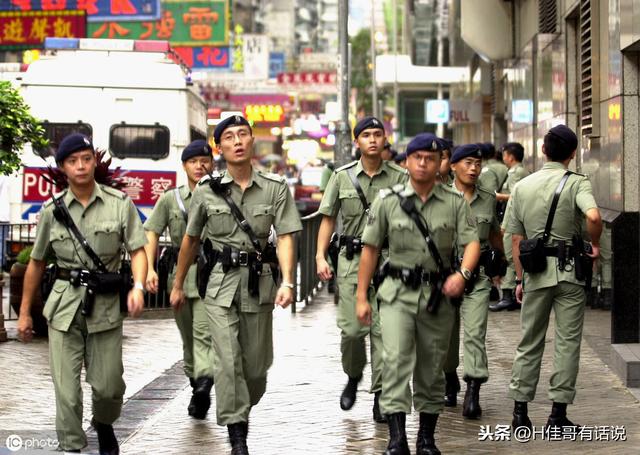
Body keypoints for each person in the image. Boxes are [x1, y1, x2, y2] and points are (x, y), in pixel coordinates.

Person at [169, 115, 302, 455]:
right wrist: (178, 283)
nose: (238, 141)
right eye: (229, 137)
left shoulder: (275, 187)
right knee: (227, 362)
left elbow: (286, 235)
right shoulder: (206, 190)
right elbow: (191, 239)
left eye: (243, 134)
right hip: (219, 285)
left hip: (259, 284)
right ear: (220, 147)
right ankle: (237, 436)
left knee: (255, 370)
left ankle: (242, 406)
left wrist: (288, 281)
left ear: (252, 140)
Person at [17, 133, 148, 454]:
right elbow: (35, 263)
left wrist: (140, 287)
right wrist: (23, 313)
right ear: (63, 167)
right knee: (66, 391)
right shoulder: (52, 211)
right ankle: (72, 446)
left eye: (86, 159)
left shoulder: (119, 205)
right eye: (73, 161)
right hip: (63, 307)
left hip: (104, 307)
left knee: (108, 386)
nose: (81, 166)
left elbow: (139, 250)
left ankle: (104, 423)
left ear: (94, 161)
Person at [355, 132, 480, 455]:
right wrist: (360, 297)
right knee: (394, 361)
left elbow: (472, 243)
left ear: (441, 163)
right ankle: (397, 439)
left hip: (437, 295)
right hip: (396, 293)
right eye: (417, 158)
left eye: (430, 158)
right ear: (407, 162)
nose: (423, 163)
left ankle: (426, 437)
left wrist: (462, 275)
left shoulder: (454, 203)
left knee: (431, 367)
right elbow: (370, 250)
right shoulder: (388, 201)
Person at [505, 124, 602, 431]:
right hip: (570, 275)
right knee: (567, 342)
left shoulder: (522, 186)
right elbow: (594, 216)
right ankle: (557, 416)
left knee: (529, 342)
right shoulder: (577, 183)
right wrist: (596, 243)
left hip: (534, 274)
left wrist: (519, 280)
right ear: (573, 154)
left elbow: (515, 239)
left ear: (543, 150)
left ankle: (520, 413)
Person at [316, 116, 408, 423]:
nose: (372, 139)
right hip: (351, 261)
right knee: (353, 332)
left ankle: (380, 395)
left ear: (385, 140)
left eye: (377, 134)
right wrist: (319, 256)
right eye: (366, 135)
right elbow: (327, 217)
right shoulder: (341, 177)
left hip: (389, 261)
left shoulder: (400, 176)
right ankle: (354, 375)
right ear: (356, 142)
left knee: (385, 332)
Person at [143, 140, 215, 419]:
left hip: (211, 276)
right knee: (188, 339)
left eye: (205, 160)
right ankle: (196, 383)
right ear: (184, 166)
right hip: (180, 277)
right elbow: (151, 231)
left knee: (203, 335)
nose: (200, 166)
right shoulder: (171, 199)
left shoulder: (221, 195)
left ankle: (206, 380)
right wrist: (149, 267)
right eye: (193, 161)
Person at [442, 144, 504, 418]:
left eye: (478, 164)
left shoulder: (487, 197)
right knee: (445, 335)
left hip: (477, 278)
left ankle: (473, 389)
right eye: (468, 163)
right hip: (444, 278)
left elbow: (494, 235)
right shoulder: (438, 196)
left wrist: (505, 266)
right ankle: (449, 378)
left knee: (475, 334)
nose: (474, 168)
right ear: (453, 166)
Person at [490, 142, 529, 312]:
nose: (503, 157)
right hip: (510, 215)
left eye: (504, 154)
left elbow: (514, 195)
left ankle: (509, 295)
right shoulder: (516, 171)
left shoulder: (517, 172)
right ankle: (509, 294)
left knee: (510, 254)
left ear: (511, 156)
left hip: (513, 217)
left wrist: (498, 196)